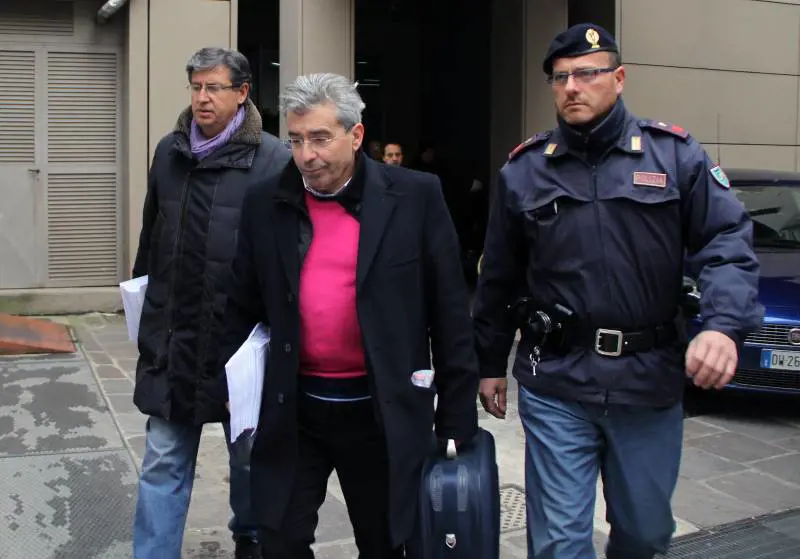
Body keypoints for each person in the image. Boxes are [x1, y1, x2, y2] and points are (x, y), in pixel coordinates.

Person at [472, 23, 763, 559]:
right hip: (557, 379)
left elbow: (726, 241)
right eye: (560, 78)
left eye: (587, 73)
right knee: (559, 544)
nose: (571, 87)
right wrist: (489, 361)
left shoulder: (673, 157)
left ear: (619, 78)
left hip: (646, 381)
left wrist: (723, 326)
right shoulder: (525, 171)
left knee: (645, 534)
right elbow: (499, 277)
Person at [218, 72, 479, 558]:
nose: (306, 155)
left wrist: (456, 418)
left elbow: (449, 315)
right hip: (295, 410)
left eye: (320, 138)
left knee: (383, 543)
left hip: (380, 414)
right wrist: (232, 389)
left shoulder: (415, 197)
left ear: (356, 135)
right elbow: (240, 305)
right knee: (279, 540)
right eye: (296, 140)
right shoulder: (266, 203)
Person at [131, 47, 290, 559]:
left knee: (248, 459)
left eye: (214, 88)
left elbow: (286, 260)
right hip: (173, 344)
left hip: (239, 349)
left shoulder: (274, 160)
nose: (202, 98)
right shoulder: (169, 152)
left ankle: (251, 538)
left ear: (242, 93)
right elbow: (150, 242)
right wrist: (144, 318)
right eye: (196, 87)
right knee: (163, 460)